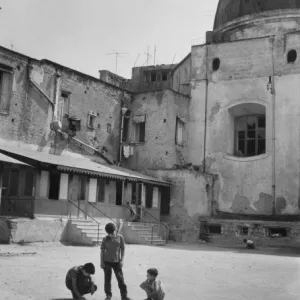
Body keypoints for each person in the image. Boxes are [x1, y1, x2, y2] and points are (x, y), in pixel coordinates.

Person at [101, 223, 131, 300]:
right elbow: (102, 251)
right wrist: (101, 261)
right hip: (106, 261)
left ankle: (124, 296)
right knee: (107, 279)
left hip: (117, 262)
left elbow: (123, 249)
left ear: (115, 230)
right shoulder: (105, 239)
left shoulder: (120, 237)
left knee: (120, 279)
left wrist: (122, 260)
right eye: (109, 233)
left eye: (112, 233)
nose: (111, 235)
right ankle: (108, 295)